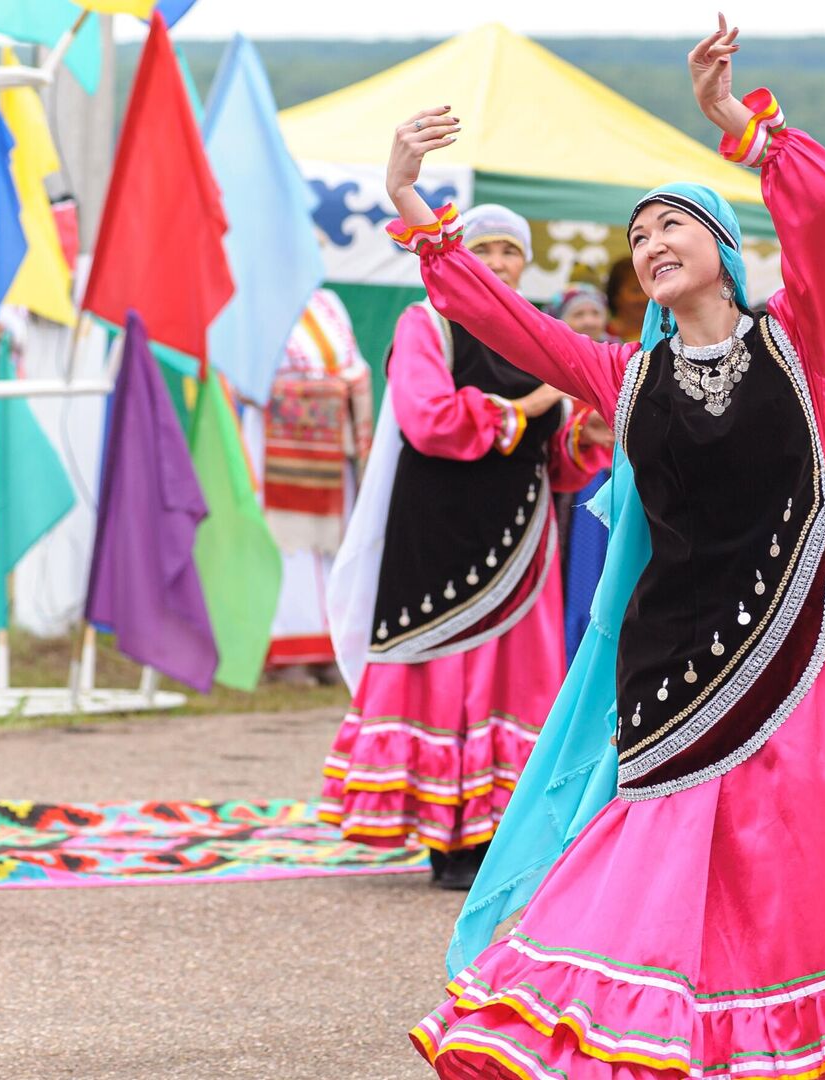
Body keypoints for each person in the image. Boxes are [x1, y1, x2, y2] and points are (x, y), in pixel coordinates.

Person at [384, 20, 825, 1076]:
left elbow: (818, 208)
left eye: (671, 225)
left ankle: (789, 1029)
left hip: (794, 640)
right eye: (637, 240)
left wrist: (739, 125)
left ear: (722, 248)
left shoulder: (799, 338)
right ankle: (638, 1023)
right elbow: (502, 318)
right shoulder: (625, 373)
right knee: (661, 850)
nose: (650, 245)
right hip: (671, 649)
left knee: (790, 848)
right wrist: (412, 202)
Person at [319, 204, 612, 889]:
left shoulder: (537, 334)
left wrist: (578, 436)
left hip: (521, 541)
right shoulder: (428, 323)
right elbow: (428, 420)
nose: (501, 264)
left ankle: (497, 838)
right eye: (487, 250)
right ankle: (445, 841)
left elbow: (558, 459)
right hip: (439, 535)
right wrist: (530, 410)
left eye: (512, 251)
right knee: (445, 673)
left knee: (514, 679)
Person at [259, 287, 375, 684]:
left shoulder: (327, 302)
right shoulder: (251, 300)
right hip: (275, 445)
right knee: (287, 545)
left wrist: (344, 383)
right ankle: (287, 651)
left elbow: (355, 363)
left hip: (331, 442)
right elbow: (244, 376)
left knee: (332, 541)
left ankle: (331, 649)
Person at [550, 284, 613, 660]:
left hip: (619, 477)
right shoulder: (553, 364)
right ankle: (575, 653)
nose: (589, 320)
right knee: (582, 577)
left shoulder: (620, 357)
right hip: (579, 483)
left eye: (594, 312)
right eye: (579, 314)